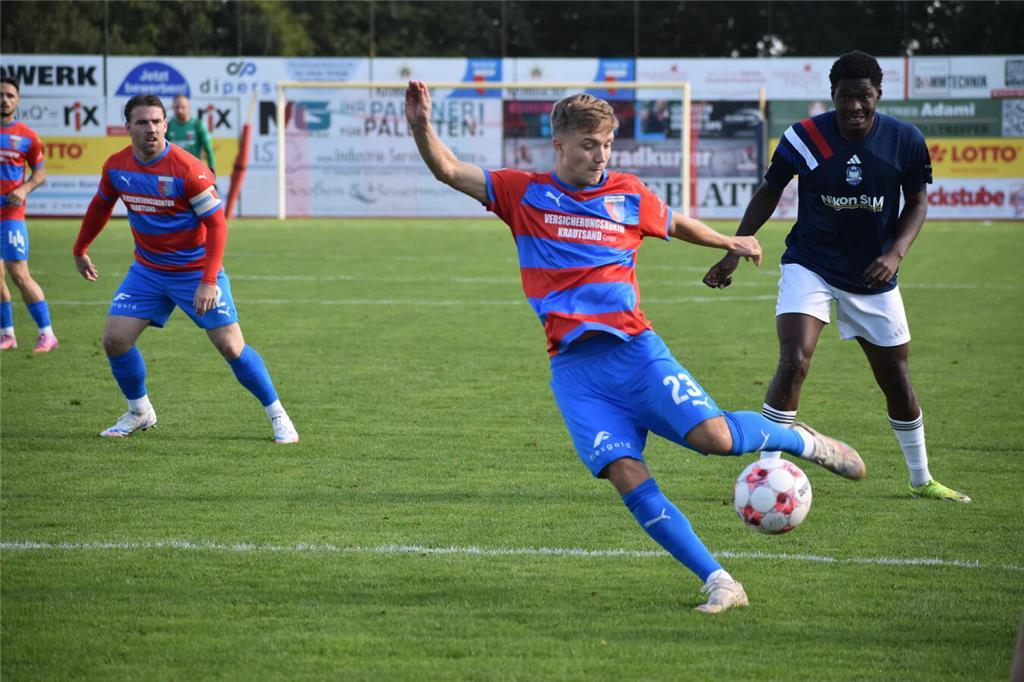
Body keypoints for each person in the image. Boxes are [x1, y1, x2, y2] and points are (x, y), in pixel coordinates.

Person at [405, 80, 866, 614]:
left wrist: (727, 241)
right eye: (588, 145)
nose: (600, 156)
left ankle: (799, 440)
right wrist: (420, 125)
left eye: (606, 145)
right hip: (576, 373)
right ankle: (719, 581)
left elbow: (674, 223)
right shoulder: (520, 192)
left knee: (715, 440)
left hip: (636, 352)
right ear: (558, 145)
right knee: (626, 474)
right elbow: (448, 169)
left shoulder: (627, 193)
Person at [703, 50, 969, 503]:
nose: (854, 107)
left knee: (895, 377)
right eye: (845, 97)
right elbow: (771, 190)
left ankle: (922, 478)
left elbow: (918, 201)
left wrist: (896, 253)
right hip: (811, 262)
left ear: (878, 95)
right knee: (795, 359)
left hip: (873, 275)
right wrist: (735, 248)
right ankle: (766, 475)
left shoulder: (904, 140)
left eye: (863, 97)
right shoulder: (805, 137)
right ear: (833, 96)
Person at [72, 93, 298, 444]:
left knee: (231, 347)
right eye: (143, 122)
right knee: (115, 340)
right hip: (147, 270)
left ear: (166, 125)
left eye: (157, 122)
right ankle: (139, 411)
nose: (152, 128)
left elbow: (217, 225)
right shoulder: (117, 166)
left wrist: (209, 280)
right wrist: (80, 248)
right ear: (128, 127)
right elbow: (100, 206)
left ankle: (278, 415)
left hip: (195, 269)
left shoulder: (188, 169)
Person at [1, 76, 58, 352]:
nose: (5, 99)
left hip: (11, 215)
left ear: (18, 100)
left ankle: (47, 333)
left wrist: (24, 189)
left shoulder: (26, 136)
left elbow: (41, 173)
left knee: (19, 274)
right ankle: (7, 334)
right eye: (1, 94)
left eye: (10, 95)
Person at [167, 94, 216, 174]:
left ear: (189, 108)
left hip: (194, 171)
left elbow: (209, 149)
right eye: (177, 107)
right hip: (175, 172)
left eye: (183, 107)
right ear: (173, 108)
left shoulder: (197, 125)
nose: (180, 110)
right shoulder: (169, 126)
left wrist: (212, 170)